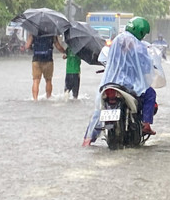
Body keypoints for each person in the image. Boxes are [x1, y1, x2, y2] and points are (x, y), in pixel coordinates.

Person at [83, 16, 157, 145]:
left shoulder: (116, 41)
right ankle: (146, 124)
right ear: (140, 31)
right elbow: (146, 66)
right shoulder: (138, 46)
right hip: (129, 85)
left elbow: (108, 59)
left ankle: (88, 139)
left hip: (110, 82)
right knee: (150, 93)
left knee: (99, 109)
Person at [26, 31, 66, 100]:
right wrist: (65, 52)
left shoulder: (33, 32)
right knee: (48, 80)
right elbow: (58, 46)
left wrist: (32, 48)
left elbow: (27, 46)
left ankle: (35, 99)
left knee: (36, 80)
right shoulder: (52, 32)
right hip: (48, 59)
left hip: (36, 59)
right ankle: (48, 98)